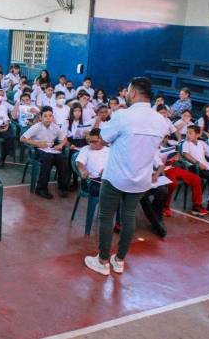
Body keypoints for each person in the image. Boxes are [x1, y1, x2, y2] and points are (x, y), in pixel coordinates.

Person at [84, 77, 169, 276]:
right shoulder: (160, 120)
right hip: (141, 178)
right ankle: (120, 260)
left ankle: (103, 260)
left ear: (132, 93)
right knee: (128, 216)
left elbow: (103, 139)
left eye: (127, 91)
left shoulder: (123, 115)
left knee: (106, 216)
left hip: (116, 176)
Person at [20, 106, 70, 199]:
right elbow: (22, 139)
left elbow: (64, 138)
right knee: (48, 158)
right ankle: (41, 189)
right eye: (45, 116)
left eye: (50, 116)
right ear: (40, 117)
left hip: (50, 149)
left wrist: (61, 145)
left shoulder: (55, 127)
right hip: (37, 150)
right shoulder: (36, 127)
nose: (48, 118)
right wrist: (37, 143)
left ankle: (63, 187)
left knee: (62, 158)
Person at [75, 128, 109, 198]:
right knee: (105, 191)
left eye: (94, 141)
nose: (91, 144)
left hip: (106, 180)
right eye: (90, 141)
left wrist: (107, 171)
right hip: (90, 181)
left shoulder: (109, 150)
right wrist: (83, 171)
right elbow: (80, 163)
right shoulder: (86, 149)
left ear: (102, 140)